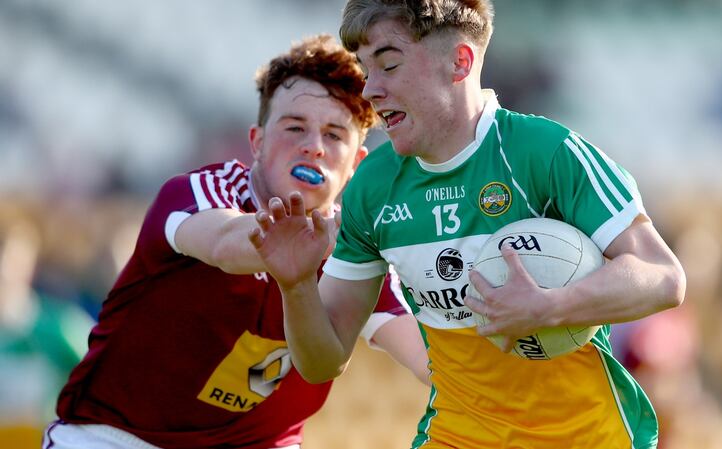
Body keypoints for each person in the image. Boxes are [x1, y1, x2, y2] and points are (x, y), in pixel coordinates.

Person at [248, 2, 687, 449]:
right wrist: (297, 284)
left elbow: (663, 276)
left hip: (589, 438)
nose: (371, 90)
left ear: (460, 61)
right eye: (366, 69)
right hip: (455, 437)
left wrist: (552, 306)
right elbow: (322, 362)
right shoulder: (373, 188)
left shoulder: (547, 153)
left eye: (389, 64)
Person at [44, 34, 430, 449]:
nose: (313, 147)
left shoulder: (356, 248)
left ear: (356, 163)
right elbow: (225, 242)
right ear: (257, 142)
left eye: (335, 135)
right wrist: (284, 246)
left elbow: (432, 361)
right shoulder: (200, 192)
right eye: (294, 127)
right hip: (116, 437)